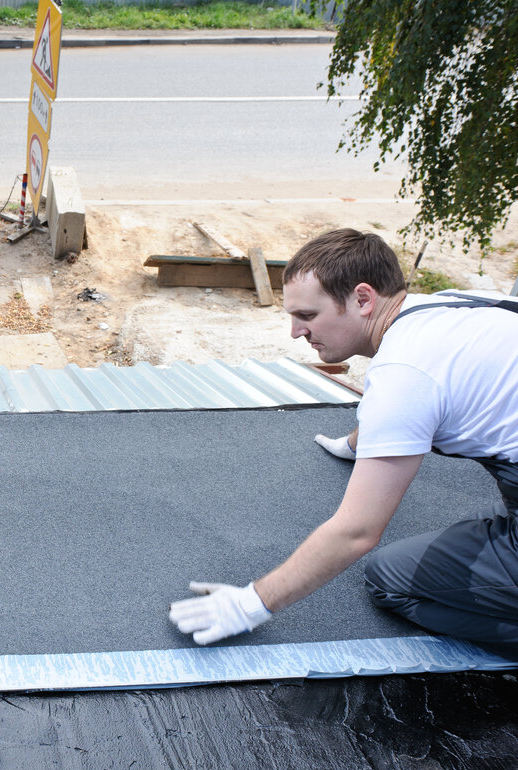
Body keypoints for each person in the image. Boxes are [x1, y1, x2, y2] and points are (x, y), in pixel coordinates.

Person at [169, 228, 518, 657]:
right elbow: (420, 398)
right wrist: (361, 441)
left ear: (363, 299)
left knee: (391, 579)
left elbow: (356, 532)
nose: (296, 332)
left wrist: (250, 605)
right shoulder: (448, 305)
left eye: (308, 316)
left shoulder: (403, 375)